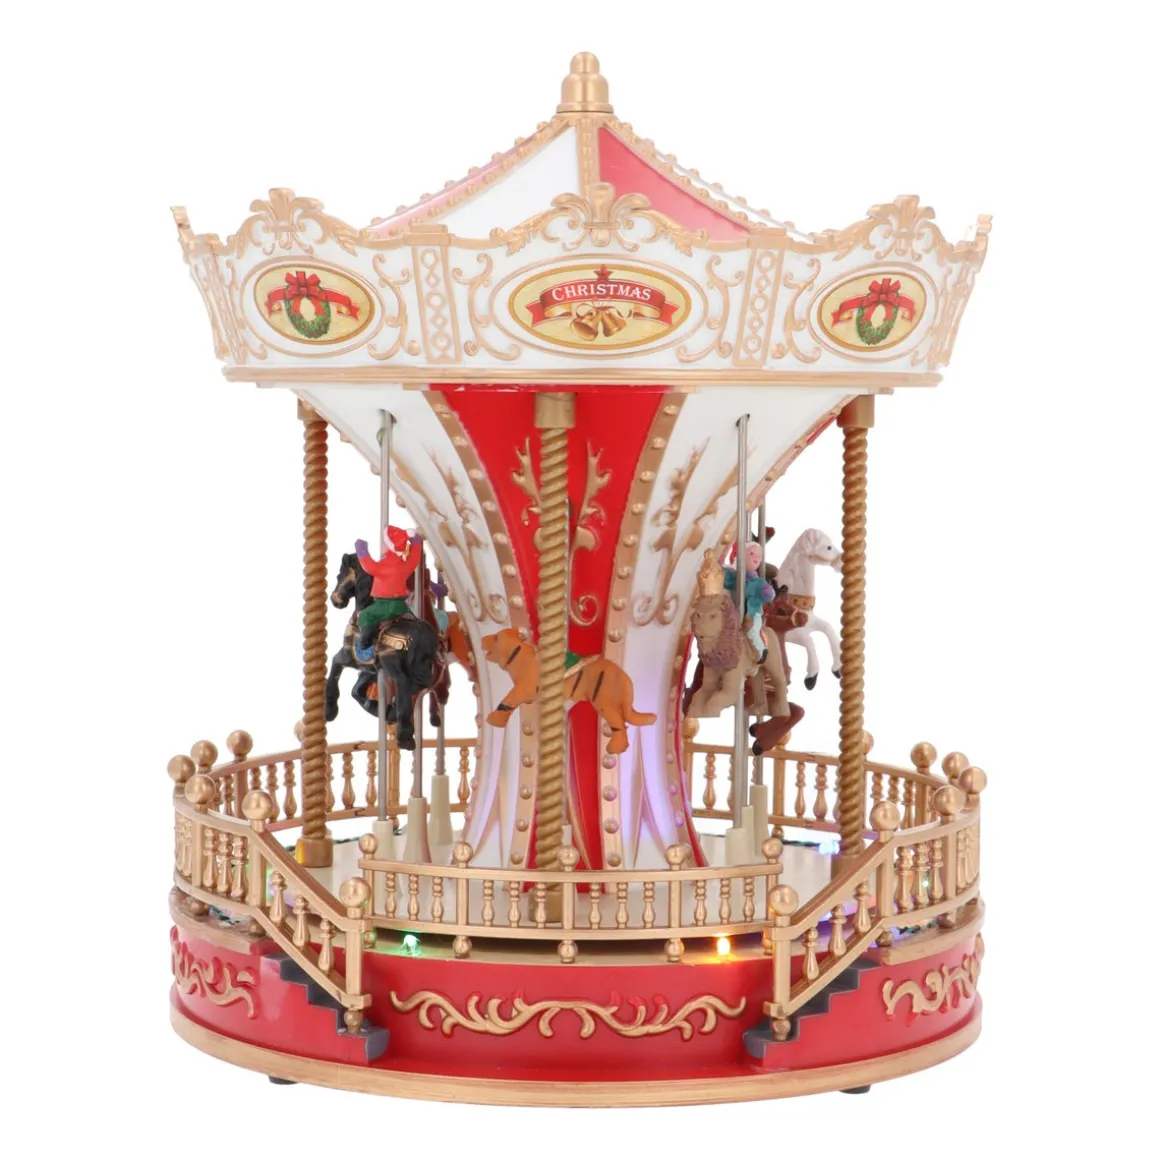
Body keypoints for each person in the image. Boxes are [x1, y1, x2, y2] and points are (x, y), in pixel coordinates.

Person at [355, 526, 422, 651]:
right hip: (401, 605)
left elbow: (368, 566)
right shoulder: (404, 565)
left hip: (384, 605)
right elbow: (414, 559)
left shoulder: (383, 566)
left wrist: (361, 550)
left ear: (388, 546)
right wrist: (416, 543)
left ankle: (365, 642)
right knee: (415, 619)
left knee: (365, 615)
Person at [723, 540, 775, 662]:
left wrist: (766, 591)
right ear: (741, 556)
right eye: (752, 554)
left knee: (750, 629)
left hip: (752, 614)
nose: (756, 558)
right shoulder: (734, 576)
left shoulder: (758, 582)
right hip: (734, 611)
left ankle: (760, 651)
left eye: (759, 556)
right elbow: (724, 580)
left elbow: (770, 595)